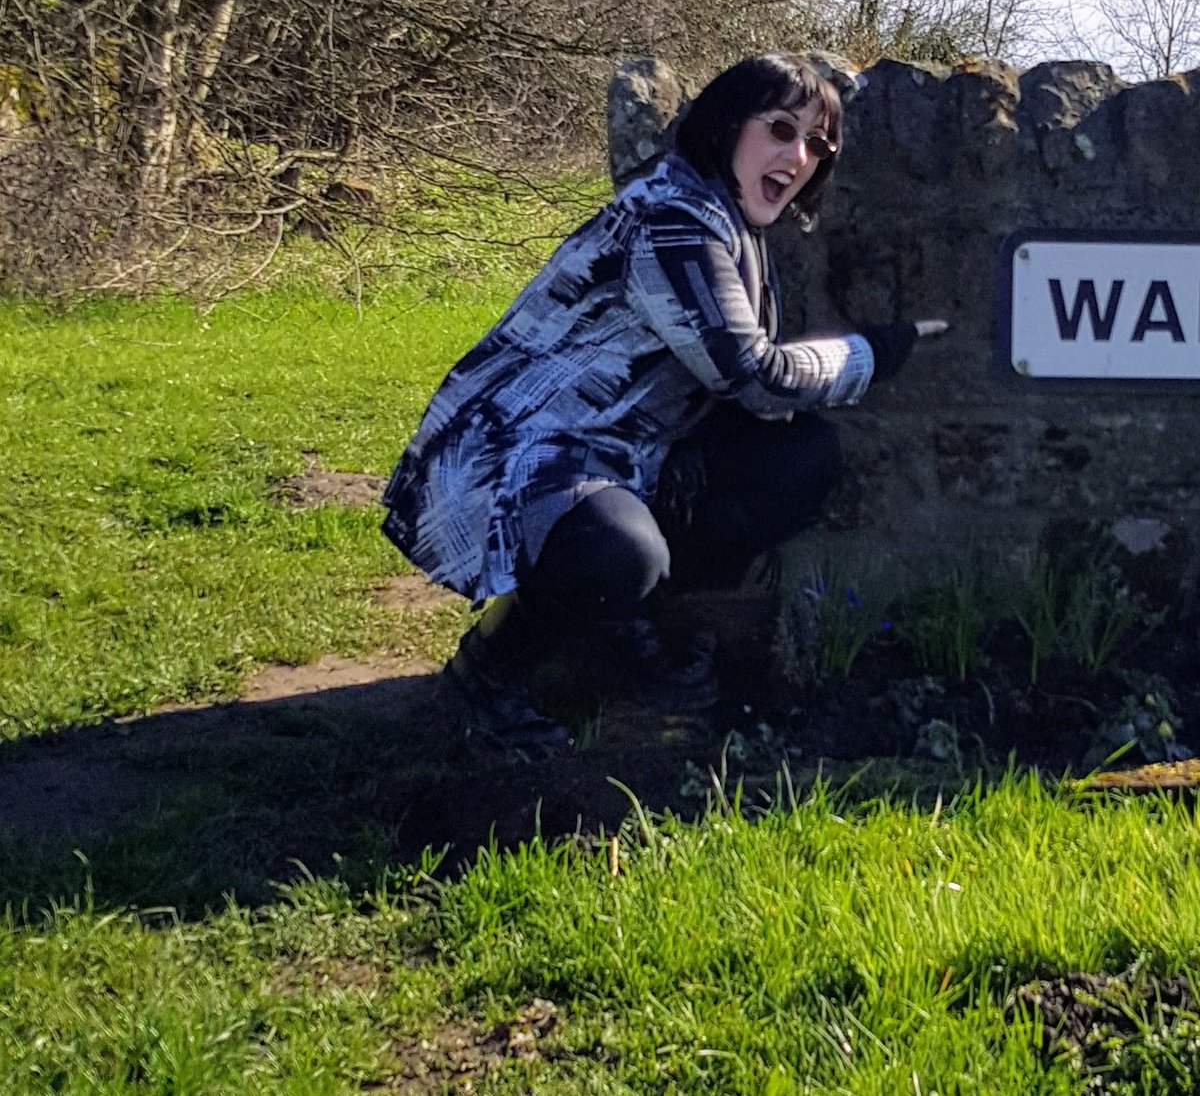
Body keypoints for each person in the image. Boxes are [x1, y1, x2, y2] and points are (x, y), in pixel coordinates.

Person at [380, 53, 922, 754]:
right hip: (522, 450)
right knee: (619, 553)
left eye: (818, 143)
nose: (799, 155)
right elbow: (754, 377)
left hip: (628, 450)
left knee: (798, 460)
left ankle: (626, 623)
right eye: (781, 129)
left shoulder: (727, 218)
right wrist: (872, 355)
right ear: (727, 125)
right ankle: (487, 673)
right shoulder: (674, 221)